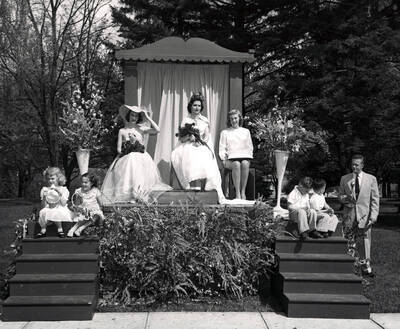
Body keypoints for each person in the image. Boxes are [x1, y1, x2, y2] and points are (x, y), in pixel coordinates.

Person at [101, 105, 171, 203]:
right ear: (128, 116)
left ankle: (139, 195)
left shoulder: (141, 129)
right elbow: (119, 149)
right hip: (127, 157)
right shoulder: (122, 131)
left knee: (139, 174)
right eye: (132, 115)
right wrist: (129, 146)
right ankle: (130, 196)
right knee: (130, 165)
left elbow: (157, 130)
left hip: (141, 157)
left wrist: (147, 117)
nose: (134, 118)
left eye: (136, 116)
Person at [171, 92, 224, 202]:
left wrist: (200, 142)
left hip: (200, 145)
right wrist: (190, 137)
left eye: (199, 106)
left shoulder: (205, 120)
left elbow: (207, 137)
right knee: (189, 153)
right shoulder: (185, 120)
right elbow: (181, 138)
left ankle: (204, 190)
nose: (197, 107)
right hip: (187, 144)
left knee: (204, 153)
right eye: (195, 105)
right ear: (190, 106)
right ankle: (192, 187)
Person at [339, 154, 379, 277]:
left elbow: (375, 199)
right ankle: (349, 266)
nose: (354, 167)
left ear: (362, 165)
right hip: (349, 215)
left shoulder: (371, 179)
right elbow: (340, 197)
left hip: (365, 216)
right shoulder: (344, 178)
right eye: (352, 164)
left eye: (356, 164)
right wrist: (345, 198)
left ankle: (366, 268)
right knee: (349, 240)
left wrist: (373, 216)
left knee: (364, 241)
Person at [219, 109, 253, 200]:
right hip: (230, 161)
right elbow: (221, 148)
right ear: (229, 120)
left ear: (239, 119)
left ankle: (243, 192)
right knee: (236, 164)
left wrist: (249, 156)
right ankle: (237, 193)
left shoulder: (246, 131)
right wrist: (223, 159)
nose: (234, 121)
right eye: (231, 119)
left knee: (245, 163)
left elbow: (250, 147)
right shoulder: (225, 132)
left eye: (235, 118)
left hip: (244, 158)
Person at [37, 167, 73, 238]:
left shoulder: (63, 189)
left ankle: (60, 229)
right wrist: (44, 197)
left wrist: (59, 193)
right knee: (43, 212)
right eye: (48, 179)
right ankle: (43, 230)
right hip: (49, 207)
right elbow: (42, 206)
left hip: (60, 208)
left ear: (58, 178)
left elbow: (63, 204)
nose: (50, 181)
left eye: (52, 179)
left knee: (56, 211)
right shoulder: (45, 189)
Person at [68, 173, 104, 237]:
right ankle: (72, 230)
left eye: (86, 182)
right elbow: (77, 203)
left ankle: (80, 229)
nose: (83, 184)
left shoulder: (95, 191)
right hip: (84, 211)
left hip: (95, 211)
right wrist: (77, 208)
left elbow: (101, 203)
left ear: (91, 183)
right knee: (84, 216)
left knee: (96, 216)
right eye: (82, 182)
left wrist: (100, 208)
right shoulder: (79, 191)